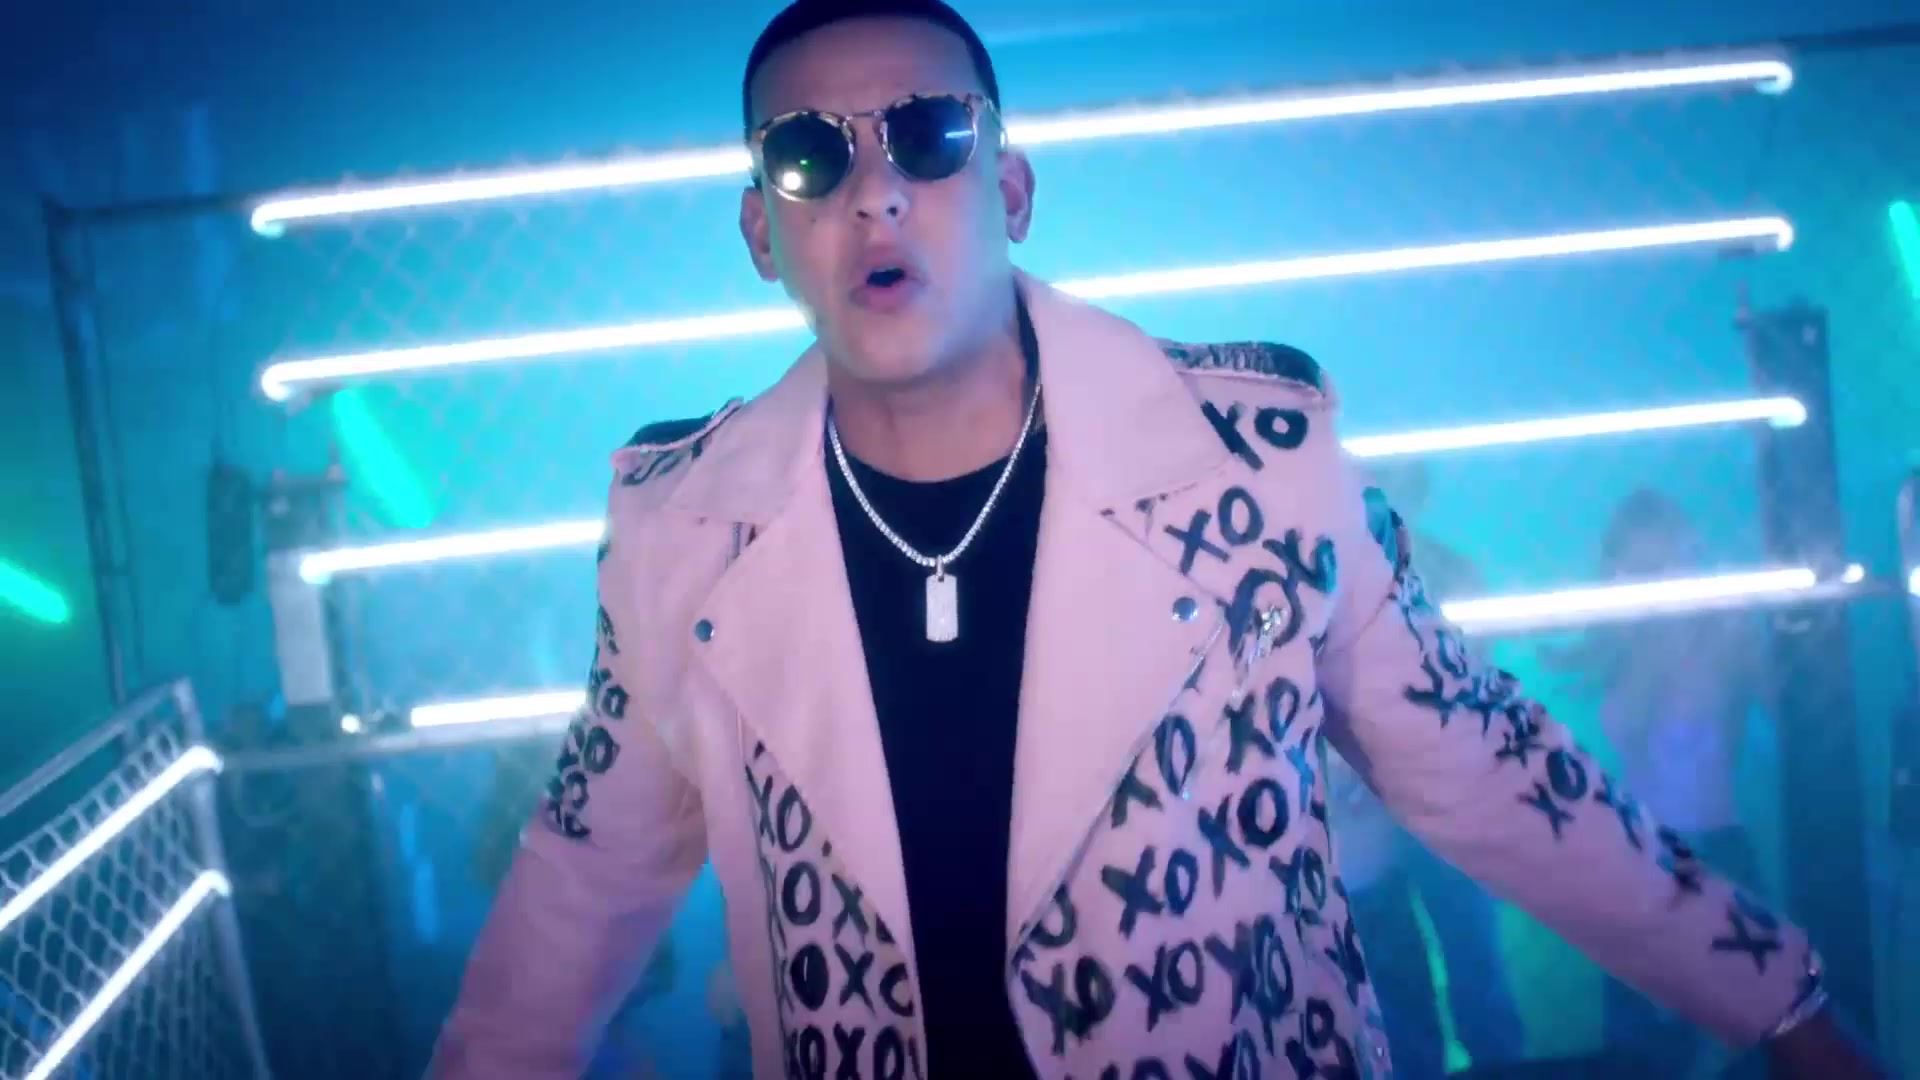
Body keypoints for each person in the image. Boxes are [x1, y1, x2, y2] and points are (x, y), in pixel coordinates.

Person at [428, 2, 1886, 1077]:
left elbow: (1484, 760)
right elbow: (584, 876)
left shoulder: (1256, 464)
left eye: (930, 135)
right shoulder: (686, 531)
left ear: (1010, 191)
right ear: (762, 233)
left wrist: (1781, 1004)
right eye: (813, 157)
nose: (877, 190)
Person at [1544, 489, 1775, 1077]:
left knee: (1740, 1031)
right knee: (1642, 1043)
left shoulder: (1727, 634)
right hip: (1635, 854)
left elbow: (1792, 715)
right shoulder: (1620, 639)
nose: (1659, 576)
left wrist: (1755, 634)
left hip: (1716, 850)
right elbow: (1619, 732)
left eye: (1669, 560)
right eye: (1642, 565)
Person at [1326, 462, 1524, 1078]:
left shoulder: (1447, 571)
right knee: (1402, 965)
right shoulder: (1345, 573)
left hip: (1437, 799)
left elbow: (1472, 683)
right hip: (1386, 804)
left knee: (1466, 955)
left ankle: (1491, 1064)